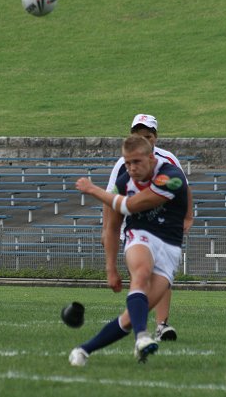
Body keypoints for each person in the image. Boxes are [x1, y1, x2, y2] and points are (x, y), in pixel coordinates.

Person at [70, 135, 189, 366]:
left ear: (151, 158)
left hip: (170, 246)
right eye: (127, 163)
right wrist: (111, 268)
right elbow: (113, 228)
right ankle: (142, 338)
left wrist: (93, 189)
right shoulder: (123, 183)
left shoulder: (171, 177)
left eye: (137, 162)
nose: (132, 168)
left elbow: (131, 205)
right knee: (141, 273)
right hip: (140, 236)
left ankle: (83, 350)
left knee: (130, 318)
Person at [102, 114, 193, 341]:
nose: (145, 139)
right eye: (139, 135)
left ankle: (160, 325)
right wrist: (108, 229)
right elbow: (112, 197)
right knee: (142, 275)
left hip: (163, 225)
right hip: (136, 227)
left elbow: (184, 187)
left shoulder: (168, 159)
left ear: (156, 137)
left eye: (149, 136)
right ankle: (140, 330)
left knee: (162, 276)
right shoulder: (123, 164)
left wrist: (188, 217)